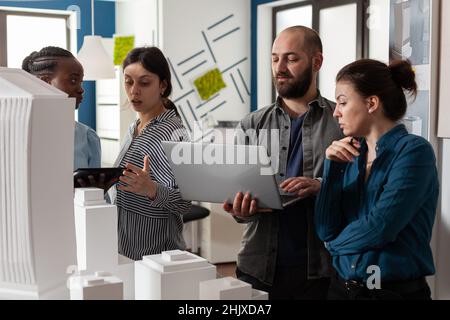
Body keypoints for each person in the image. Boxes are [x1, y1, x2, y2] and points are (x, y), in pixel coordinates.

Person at [222, 26, 343, 299]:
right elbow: (241, 209)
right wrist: (240, 208)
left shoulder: (342, 123)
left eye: (291, 58)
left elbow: (360, 193)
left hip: (322, 271)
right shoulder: (252, 124)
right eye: (275, 58)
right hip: (258, 268)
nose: (280, 67)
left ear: (317, 62)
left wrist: (320, 186)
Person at [315, 59, 439, 300]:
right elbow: (325, 228)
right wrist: (332, 167)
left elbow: (380, 227)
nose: (335, 111)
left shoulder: (414, 152)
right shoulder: (349, 154)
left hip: (393, 293)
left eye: (342, 102)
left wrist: (332, 246)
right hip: (341, 289)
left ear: (371, 103)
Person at [109, 47, 191, 260]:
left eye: (144, 83)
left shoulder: (174, 133)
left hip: (156, 255)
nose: (134, 91)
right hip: (124, 247)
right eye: (128, 81)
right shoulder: (134, 128)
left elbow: (186, 202)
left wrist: (151, 189)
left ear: (162, 85)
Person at [22, 46, 101, 170]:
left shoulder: (88, 137)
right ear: (45, 83)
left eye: (81, 82)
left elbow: (95, 188)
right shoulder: (16, 132)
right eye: (73, 80)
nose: (81, 89)